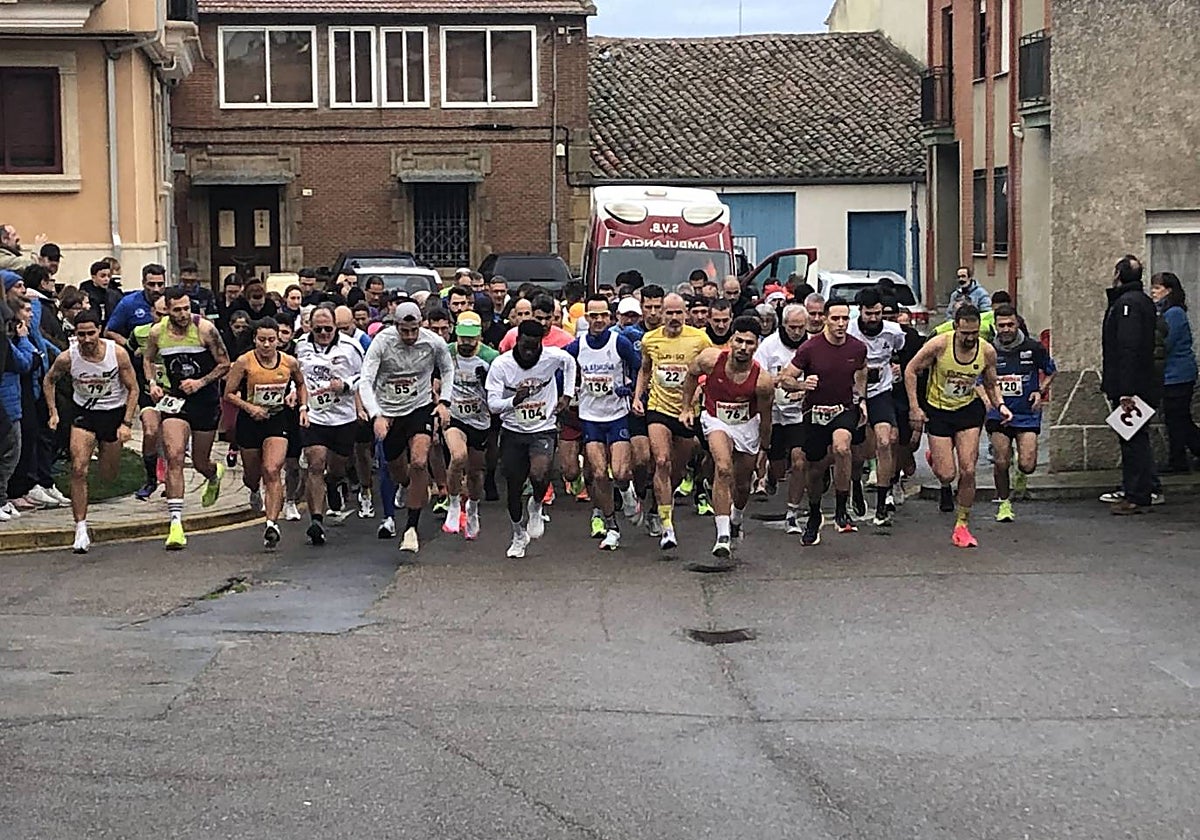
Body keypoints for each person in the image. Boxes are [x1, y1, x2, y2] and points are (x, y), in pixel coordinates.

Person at [906, 304, 1011, 547]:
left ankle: (962, 524)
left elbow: (991, 382)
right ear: (955, 327)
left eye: (974, 333)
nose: (970, 338)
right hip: (939, 411)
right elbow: (911, 370)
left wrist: (1001, 405)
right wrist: (915, 407)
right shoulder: (939, 345)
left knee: (968, 469)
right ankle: (936, 459)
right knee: (947, 474)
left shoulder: (986, 351)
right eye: (965, 333)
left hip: (968, 411)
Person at [359, 301, 454, 554]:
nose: (410, 336)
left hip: (419, 407)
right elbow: (365, 381)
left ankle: (411, 528)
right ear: (396, 326)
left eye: (414, 330)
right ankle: (407, 485)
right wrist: (376, 415)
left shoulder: (433, 342)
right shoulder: (382, 342)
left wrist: (444, 402)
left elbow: (448, 369)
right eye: (404, 331)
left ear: (421, 324)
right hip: (389, 411)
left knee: (420, 461)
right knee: (398, 471)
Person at [42, 311, 140, 553]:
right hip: (84, 414)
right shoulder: (68, 357)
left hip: (113, 414)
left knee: (108, 475)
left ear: (99, 330)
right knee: (78, 468)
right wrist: (53, 412)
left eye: (91, 333)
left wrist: (126, 423)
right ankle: (80, 528)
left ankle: (107, 457)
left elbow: (133, 388)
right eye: (81, 334)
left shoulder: (117, 353)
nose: (86, 339)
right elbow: (49, 380)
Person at [142, 287, 231, 549]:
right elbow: (148, 359)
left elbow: (225, 364)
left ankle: (213, 473)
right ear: (167, 310)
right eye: (177, 310)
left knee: (200, 461)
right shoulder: (157, 332)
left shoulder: (205, 329)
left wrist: (200, 382)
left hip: (205, 401)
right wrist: (152, 383)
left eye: (186, 309)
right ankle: (176, 524)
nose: (183, 314)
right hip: (176, 400)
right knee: (175, 456)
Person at [680, 316, 774, 564]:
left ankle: (736, 519)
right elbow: (691, 375)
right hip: (716, 419)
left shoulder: (763, 381)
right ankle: (722, 536)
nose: (743, 347)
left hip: (747, 426)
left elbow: (766, 417)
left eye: (749, 343)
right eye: (739, 341)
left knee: (742, 485)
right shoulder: (710, 360)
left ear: (756, 345)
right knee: (723, 469)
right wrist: (686, 407)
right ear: (731, 340)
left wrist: (765, 449)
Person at [777, 298, 868, 545]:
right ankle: (815, 512)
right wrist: (801, 385)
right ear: (825, 319)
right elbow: (785, 378)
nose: (841, 324)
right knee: (815, 470)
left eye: (845, 318)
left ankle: (841, 506)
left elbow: (862, 370)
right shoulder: (810, 348)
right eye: (835, 318)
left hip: (843, 409)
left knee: (842, 447)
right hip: (815, 412)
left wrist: (861, 398)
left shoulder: (857, 347)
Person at [486, 319, 577, 559]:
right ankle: (518, 534)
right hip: (513, 430)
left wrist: (567, 395)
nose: (529, 352)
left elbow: (570, 363)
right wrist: (513, 401)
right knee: (514, 487)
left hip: (542, 427)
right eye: (525, 346)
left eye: (534, 347)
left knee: (540, 473)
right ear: (517, 341)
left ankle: (536, 505)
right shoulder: (501, 365)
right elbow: (493, 405)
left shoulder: (551, 356)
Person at [635, 292, 711, 550]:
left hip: (687, 411)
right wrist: (638, 397)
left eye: (679, 312)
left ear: (686, 313)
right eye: (669, 313)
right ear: (661, 314)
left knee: (676, 472)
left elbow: (710, 370)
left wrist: (699, 390)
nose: (674, 317)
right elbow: (645, 369)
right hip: (658, 408)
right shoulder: (650, 339)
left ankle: (657, 508)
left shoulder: (699, 339)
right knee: (661, 460)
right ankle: (667, 527)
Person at [565, 295, 641, 550]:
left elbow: (640, 367)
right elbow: (561, 366)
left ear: (610, 317)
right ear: (586, 318)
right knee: (598, 474)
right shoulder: (578, 346)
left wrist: (631, 389)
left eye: (603, 315)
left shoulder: (619, 342)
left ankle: (627, 493)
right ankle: (612, 526)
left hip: (617, 414)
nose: (598, 320)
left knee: (619, 472)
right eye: (594, 316)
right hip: (590, 417)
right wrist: (569, 392)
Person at [224, 318, 308, 549]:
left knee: (272, 469)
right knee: (253, 474)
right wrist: (250, 408)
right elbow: (228, 393)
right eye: (262, 340)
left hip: (276, 419)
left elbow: (301, 384)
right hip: (250, 421)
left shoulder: (289, 362)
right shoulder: (244, 362)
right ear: (255, 339)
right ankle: (253, 490)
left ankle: (272, 524)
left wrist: (302, 406)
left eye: (271, 340)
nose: (267, 345)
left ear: (278, 340)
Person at [295, 304, 364, 545]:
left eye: (328, 329)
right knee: (315, 463)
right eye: (318, 329)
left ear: (336, 327)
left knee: (336, 467)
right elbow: (296, 376)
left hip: (343, 417)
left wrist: (345, 385)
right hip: (314, 415)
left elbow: (364, 376)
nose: (323, 333)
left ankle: (334, 482)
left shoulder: (351, 347)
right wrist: (295, 394)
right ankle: (316, 520)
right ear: (310, 328)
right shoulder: (301, 346)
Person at [1100, 255, 1161, 514]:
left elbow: (1128, 347)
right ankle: (1141, 489)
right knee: (1135, 438)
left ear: (1118, 274)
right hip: (1140, 382)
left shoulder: (1128, 304)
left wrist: (1126, 390)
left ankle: (1137, 494)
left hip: (1133, 386)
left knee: (1133, 440)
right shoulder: (1140, 300)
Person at [986, 303, 1056, 522]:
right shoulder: (988, 350)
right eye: (1001, 325)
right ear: (995, 326)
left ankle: (1021, 473)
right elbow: (978, 379)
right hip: (998, 413)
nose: (1006, 329)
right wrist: (987, 400)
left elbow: (1051, 371)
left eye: (1010, 324)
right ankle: (1004, 503)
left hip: (1026, 412)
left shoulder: (1033, 347)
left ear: (1017, 324)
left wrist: (1040, 390)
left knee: (1027, 465)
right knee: (1001, 460)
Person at [847, 287, 907, 526]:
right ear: (860, 311)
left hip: (881, 392)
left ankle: (882, 502)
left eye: (878, 313)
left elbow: (902, 351)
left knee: (885, 441)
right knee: (858, 452)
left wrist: (897, 366)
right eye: (869, 313)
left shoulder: (894, 331)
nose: (873, 318)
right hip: (853, 393)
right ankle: (855, 484)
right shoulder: (849, 331)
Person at [755, 303, 810, 532]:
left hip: (800, 414)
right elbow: (757, 377)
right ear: (783, 324)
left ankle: (792, 512)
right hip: (775, 413)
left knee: (799, 461)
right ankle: (771, 473)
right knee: (779, 468)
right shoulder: (769, 346)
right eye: (792, 327)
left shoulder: (812, 345)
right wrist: (779, 382)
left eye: (800, 327)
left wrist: (803, 389)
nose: (796, 332)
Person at [441, 311, 495, 540]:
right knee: (458, 456)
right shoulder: (446, 353)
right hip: (454, 416)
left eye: (471, 338)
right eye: (462, 337)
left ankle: (472, 507)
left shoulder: (490, 357)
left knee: (475, 472)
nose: (466, 342)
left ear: (479, 336)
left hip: (479, 419)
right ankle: (454, 504)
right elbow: (434, 380)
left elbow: (499, 388)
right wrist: (439, 403)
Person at [1150, 272, 1200, 472]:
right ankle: (1181, 458)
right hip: (1174, 375)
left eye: (1157, 287)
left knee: (1177, 420)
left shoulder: (1174, 313)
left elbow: (1164, 343)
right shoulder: (1166, 312)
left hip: (1178, 375)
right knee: (1179, 419)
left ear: (1169, 290)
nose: (1153, 291)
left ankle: (1178, 461)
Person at [80, 260, 123, 327]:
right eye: (103, 276)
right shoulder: (86, 293)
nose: (106, 279)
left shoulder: (114, 293)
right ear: (94, 278)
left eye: (109, 276)